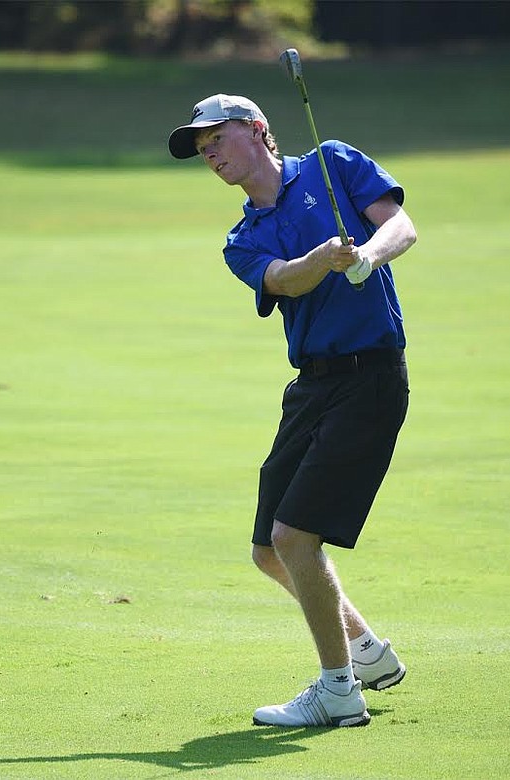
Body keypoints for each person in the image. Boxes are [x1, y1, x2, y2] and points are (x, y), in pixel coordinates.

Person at [168, 94, 418, 728]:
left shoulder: (334, 163)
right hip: (312, 387)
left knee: (294, 537)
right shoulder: (242, 238)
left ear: (257, 131)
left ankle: (339, 690)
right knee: (269, 550)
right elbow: (283, 279)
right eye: (202, 150)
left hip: (372, 377)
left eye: (216, 139)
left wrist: (368, 255)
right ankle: (366, 653)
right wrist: (328, 259)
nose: (211, 155)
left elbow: (398, 225)